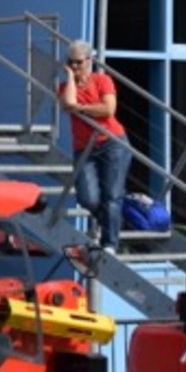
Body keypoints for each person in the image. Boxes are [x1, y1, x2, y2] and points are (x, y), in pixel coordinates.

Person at [60, 40, 130, 253]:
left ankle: (110, 243)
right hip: (84, 148)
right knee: (87, 197)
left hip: (113, 142)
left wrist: (80, 108)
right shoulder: (65, 86)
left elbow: (108, 110)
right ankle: (114, 222)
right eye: (70, 62)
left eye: (78, 62)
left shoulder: (103, 80)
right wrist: (72, 78)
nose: (74, 66)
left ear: (89, 61)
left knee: (111, 194)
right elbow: (67, 104)